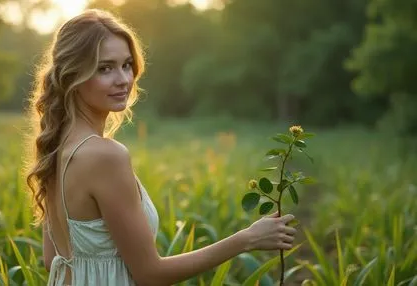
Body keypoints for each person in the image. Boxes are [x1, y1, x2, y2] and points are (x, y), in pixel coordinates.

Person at [26, 8, 297, 286]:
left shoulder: (55, 147)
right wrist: (246, 239)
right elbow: (150, 274)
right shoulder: (105, 156)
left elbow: (53, 259)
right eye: (104, 68)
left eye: (127, 64)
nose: (123, 79)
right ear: (73, 76)